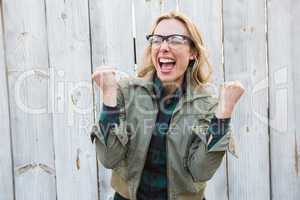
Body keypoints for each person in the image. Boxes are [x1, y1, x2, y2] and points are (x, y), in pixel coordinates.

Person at [90, 11, 244, 200]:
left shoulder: (207, 105)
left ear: (193, 53)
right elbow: (108, 158)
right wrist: (108, 96)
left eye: (175, 39)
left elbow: (201, 171)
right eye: (157, 39)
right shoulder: (125, 92)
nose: (163, 46)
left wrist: (224, 113)